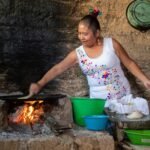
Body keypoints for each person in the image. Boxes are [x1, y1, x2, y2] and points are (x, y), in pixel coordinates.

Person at [29, 10, 150, 116]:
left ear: (97, 33)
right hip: (98, 102)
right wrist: (40, 84)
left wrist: (145, 80)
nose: (81, 37)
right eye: (79, 33)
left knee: (123, 126)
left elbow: (129, 63)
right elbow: (58, 69)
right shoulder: (78, 53)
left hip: (121, 97)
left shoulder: (112, 44)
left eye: (85, 34)